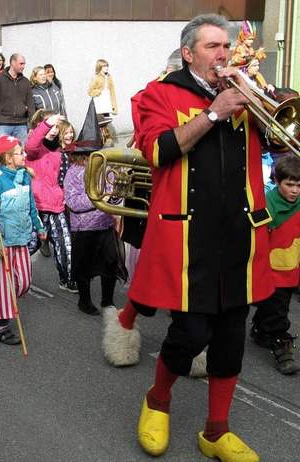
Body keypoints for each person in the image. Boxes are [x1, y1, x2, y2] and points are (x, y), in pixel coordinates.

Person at [127, 14, 274, 461]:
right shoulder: (159, 93)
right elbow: (157, 150)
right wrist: (213, 113)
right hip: (188, 237)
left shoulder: (244, 93)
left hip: (238, 236)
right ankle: (158, 399)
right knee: (189, 335)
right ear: (189, 53)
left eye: (226, 47)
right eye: (213, 46)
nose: (224, 54)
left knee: (230, 338)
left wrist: (265, 103)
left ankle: (215, 430)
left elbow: (280, 142)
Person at [0, 136, 45, 345]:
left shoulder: (25, 176)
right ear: (9, 158)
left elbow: (31, 205)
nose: (25, 155)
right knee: (3, 285)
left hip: (21, 237)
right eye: (20, 152)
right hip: (2, 242)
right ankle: (0, 327)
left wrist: (39, 227)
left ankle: (10, 304)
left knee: (24, 282)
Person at [250, 155, 300, 375]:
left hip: (293, 267)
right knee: (278, 309)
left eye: (299, 185)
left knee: (276, 305)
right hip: (271, 270)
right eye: (289, 184)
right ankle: (282, 346)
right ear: (277, 181)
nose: (295, 191)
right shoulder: (266, 203)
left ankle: (261, 330)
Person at [64, 143, 127, 316]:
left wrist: (115, 194)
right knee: (83, 266)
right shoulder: (73, 173)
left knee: (111, 262)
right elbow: (72, 201)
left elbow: (112, 196)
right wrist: (97, 198)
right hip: (83, 227)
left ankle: (108, 300)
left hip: (105, 223)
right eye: (92, 153)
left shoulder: (104, 169)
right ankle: (84, 301)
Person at [25, 110, 77, 293]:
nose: (54, 130)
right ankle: (11, 270)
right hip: (38, 206)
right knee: (31, 244)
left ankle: (68, 280)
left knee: (65, 243)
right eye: (49, 125)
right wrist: (45, 125)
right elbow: (31, 146)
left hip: (56, 205)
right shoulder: (34, 149)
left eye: (56, 126)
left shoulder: (58, 149)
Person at [0, 53, 35, 143]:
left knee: (22, 153)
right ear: (13, 62)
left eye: (24, 64)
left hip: (21, 124)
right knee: (2, 154)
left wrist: (32, 126)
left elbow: (31, 105)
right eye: (21, 63)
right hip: (3, 124)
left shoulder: (26, 82)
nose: (23, 66)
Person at [88, 59, 117, 146]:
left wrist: (113, 105)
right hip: (99, 101)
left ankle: (106, 139)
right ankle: (104, 138)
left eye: (107, 66)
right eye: (104, 66)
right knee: (100, 121)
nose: (106, 68)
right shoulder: (96, 77)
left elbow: (112, 90)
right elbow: (90, 90)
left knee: (106, 119)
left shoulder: (109, 77)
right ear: (99, 67)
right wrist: (98, 93)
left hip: (106, 101)